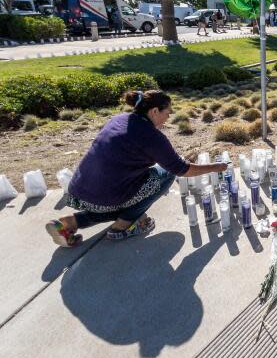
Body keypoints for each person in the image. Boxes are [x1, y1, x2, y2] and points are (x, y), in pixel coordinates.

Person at [45, 90, 227, 247]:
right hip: (104, 197)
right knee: (166, 174)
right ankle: (123, 226)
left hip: (80, 192)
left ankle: (71, 222)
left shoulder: (119, 119)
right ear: (155, 111)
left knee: (124, 202)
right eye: (168, 112)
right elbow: (181, 169)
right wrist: (216, 167)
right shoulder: (151, 137)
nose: (168, 117)